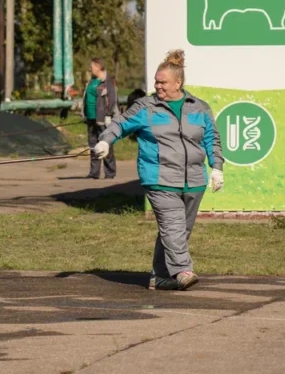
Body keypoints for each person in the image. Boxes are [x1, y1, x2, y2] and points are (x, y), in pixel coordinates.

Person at [94, 49, 224, 291]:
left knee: (177, 230)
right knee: (173, 225)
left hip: (194, 180)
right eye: (156, 81)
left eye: (163, 82)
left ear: (179, 82)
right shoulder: (146, 107)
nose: (158, 86)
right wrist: (105, 141)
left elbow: (211, 139)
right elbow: (120, 124)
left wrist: (216, 168)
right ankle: (183, 270)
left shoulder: (199, 108)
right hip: (159, 178)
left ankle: (160, 276)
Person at [83, 58, 119, 179]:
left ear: (99, 67)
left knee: (104, 143)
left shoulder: (108, 81)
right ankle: (94, 172)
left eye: (92, 66)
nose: (91, 68)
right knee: (93, 144)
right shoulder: (92, 81)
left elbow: (112, 98)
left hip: (102, 117)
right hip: (91, 117)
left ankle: (110, 172)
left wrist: (108, 114)